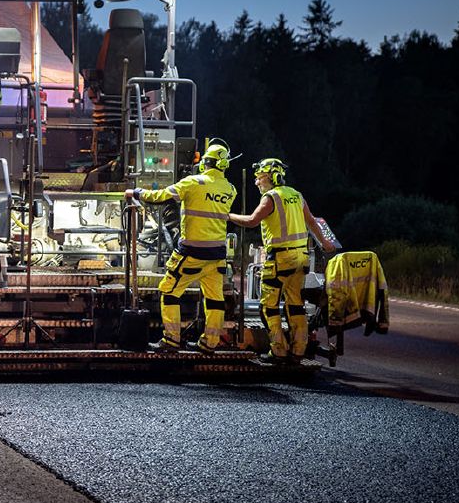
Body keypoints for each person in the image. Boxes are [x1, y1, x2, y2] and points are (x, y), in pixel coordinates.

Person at [125, 140, 238, 353]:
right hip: (217, 255)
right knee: (215, 299)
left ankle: (171, 340)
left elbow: (159, 197)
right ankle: (209, 343)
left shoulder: (192, 182)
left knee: (168, 291)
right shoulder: (230, 190)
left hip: (192, 252)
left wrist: (136, 192)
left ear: (206, 162)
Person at [229, 158, 337, 364]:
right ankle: (298, 351)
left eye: (260, 178)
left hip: (279, 260)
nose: (257, 182)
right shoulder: (296, 195)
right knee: (295, 304)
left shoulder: (270, 198)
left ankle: (278, 351)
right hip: (301, 259)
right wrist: (325, 243)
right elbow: (312, 222)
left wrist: (228, 216)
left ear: (271, 177)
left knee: (268, 307)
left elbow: (251, 221)